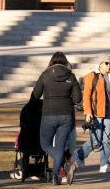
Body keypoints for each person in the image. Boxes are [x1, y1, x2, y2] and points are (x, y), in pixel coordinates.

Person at [32, 52, 82, 185]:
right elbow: (78, 99)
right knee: (60, 147)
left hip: (49, 115)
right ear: (65, 62)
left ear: (51, 62)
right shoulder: (71, 76)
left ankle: (65, 166)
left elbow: (36, 94)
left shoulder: (45, 74)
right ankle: (56, 175)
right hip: (66, 116)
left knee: (45, 145)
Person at [76, 56, 110, 174]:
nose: (109, 65)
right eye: (106, 63)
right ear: (100, 64)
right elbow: (86, 96)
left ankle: (104, 164)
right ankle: (79, 155)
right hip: (96, 113)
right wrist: (88, 112)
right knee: (96, 140)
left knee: (107, 139)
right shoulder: (92, 76)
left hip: (108, 112)